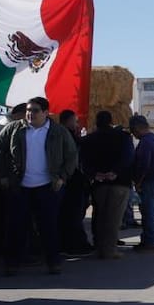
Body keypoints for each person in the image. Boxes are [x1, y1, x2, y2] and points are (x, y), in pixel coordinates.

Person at [0, 96, 79, 275]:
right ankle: (12, 264)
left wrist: (62, 177)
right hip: (20, 187)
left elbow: (71, 156)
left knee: (49, 227)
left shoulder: (58, 131)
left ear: (46, 112)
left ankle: (53, 262)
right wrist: (4, 175)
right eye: (28, 110)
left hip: (48, 187)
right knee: (16, 227)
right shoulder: (14, 129)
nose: (30, 114)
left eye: (35, 110)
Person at [79, 111, 134, 260]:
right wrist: (115, 172)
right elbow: (128, 158)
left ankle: (99, 246)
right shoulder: (123, 137)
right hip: (120, 182)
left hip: (99, 182)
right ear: (111, 121)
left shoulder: (89, 139)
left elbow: (83, 161)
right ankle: (110, 250)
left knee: (99, 215)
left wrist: (94, 174)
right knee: (114, 218)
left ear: (96, 122)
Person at [57, 108, 92, 255]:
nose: (77, 124)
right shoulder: (66, 136)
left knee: (71, 214)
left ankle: (73, 243)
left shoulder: (64, 135)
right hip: (71, 181)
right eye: (75, 121)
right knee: (73, 215)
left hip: (70, 180)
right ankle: (73, 245)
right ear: (68, 121)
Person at [130, 115, 154, 251]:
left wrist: (138, 182)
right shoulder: (153, 139)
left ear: (137, 128)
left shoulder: (145, 142)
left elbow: (144, 165)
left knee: (148, 212)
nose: (133, 134)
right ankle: (148, 239)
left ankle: (151, 241)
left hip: (150, 181)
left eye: (133, 131)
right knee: (149, 211)